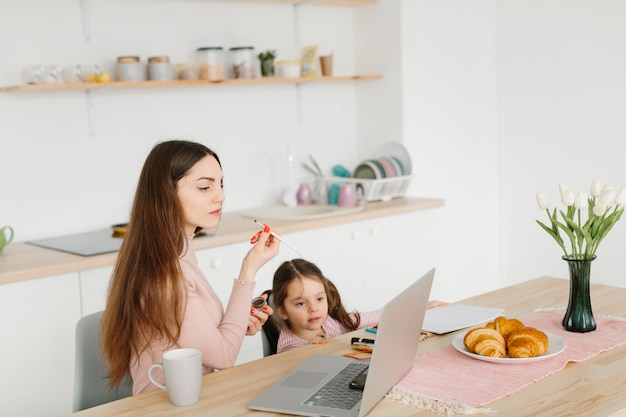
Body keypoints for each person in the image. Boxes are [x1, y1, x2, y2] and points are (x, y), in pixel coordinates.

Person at [100, 140, 280, 395]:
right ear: (166, 193)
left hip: (199, 396)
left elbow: (196, 335)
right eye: (205, 187)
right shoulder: (165, 273)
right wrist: (249, 269)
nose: (221, 196)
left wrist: (238, 321)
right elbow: (223, 356)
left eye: (220, 184)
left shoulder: (176, 250)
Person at [267, 259, 446, 353]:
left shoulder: (329, 321)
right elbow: (295, 367)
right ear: (282, 310)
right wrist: (308, 351)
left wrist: (421, 307)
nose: (313, 308)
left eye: (319, 299)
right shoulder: (288, 347)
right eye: (300, 303)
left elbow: (371, 317)